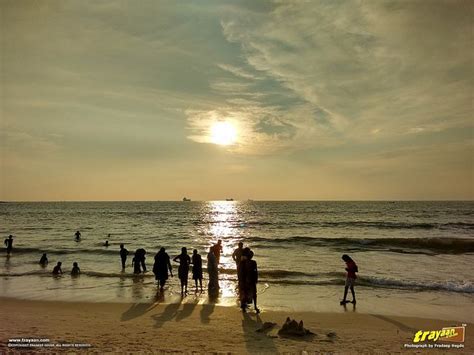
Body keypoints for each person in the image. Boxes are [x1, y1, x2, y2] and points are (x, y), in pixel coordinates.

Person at [238, 248, 259, 313]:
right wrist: (256, 279)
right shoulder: (253, 262)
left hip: (244, 280)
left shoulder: (242, 262)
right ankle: (255, 307)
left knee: (244, 293)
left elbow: (240, 272)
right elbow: (255, 271)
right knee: (254, 294)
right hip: (251, 280)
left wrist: (240, 280)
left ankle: (244, 307)